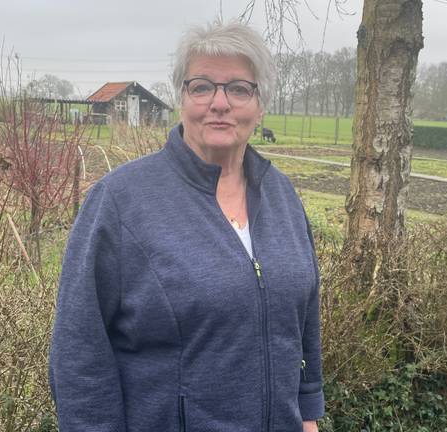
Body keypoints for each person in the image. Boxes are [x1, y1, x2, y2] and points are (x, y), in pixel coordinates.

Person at [49, 21, 324, 432]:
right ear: (181, 97)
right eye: (201, 87)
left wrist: (307, 412)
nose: (219, 102)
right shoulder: (121, 201)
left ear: (259, 105)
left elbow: (302, 319)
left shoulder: (281, 194)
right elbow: (79, 351)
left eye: (238, 88)